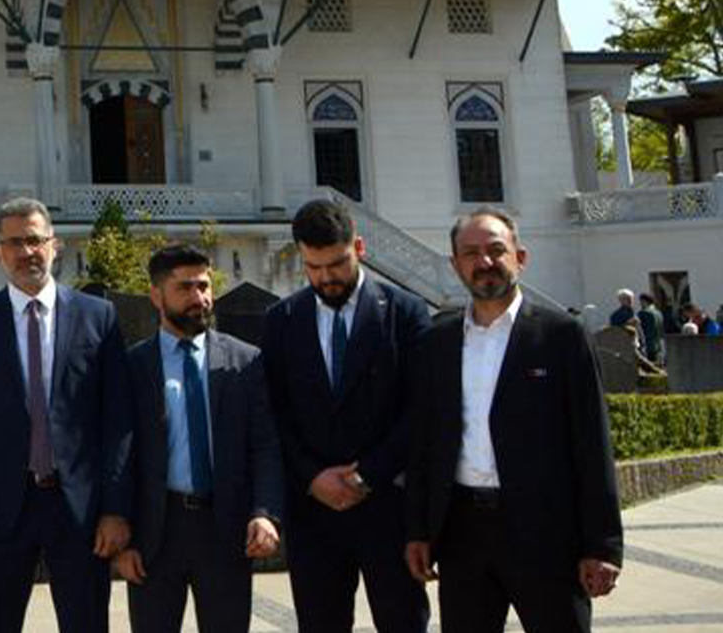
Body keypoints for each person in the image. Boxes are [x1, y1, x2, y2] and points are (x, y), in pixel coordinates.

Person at [403, 209, 623, 633]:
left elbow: (593, 443)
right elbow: (424, 445)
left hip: (545, 532)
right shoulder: (436, 342)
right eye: (470, 253)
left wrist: (604, 545)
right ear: (455, 264)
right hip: (461, 531)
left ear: (520, 257)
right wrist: (418, 530)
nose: (484, 262)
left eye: (495, 250)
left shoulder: (562, 337)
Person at [0, 197, 130, 633]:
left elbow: (118, 421)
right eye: (15, 243)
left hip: (80, 512)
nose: (27, 252)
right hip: (1, 513)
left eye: (35, 240)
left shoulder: (97, 317)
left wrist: (115, 509)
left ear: (54, 245)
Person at [259, 198, 432, 633]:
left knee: (403, 622)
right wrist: (312, 477)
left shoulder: (405, 313)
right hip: (313, 514)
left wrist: (366, 475)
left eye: (336, 264)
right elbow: (274, 413)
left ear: (359, 246)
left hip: (388, 509)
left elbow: (423, 408)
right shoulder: (281, 320)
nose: (326, 277)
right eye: (313, 267)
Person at [113, 244, 283, 633]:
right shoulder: (133, 366)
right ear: (156, 295)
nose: (199, 298)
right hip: (155, 534)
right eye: (185, 288)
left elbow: (265, 445)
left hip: (225, 528)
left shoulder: (246, 361)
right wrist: (122, 536)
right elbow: (118, 455)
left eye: (204, 286)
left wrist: (265, 512)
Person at [635, 293, 665, 366]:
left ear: (644, 301)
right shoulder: (659, 313)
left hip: (647, 346)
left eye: (641, 302)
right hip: (659, 345)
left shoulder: (643, 313)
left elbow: (640, 330)